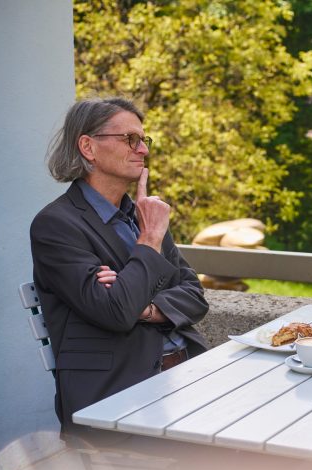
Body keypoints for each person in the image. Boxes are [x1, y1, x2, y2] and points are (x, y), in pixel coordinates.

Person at [30, 97, 209, 430]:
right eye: (130, 139)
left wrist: (146, 308)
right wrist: (149, 241)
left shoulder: (142, 215)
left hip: (186, 371)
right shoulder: (56, 225)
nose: (143, 150)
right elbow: (114, 313)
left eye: (144, 140)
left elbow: (195, 296)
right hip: (118, 394)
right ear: (88, 147)